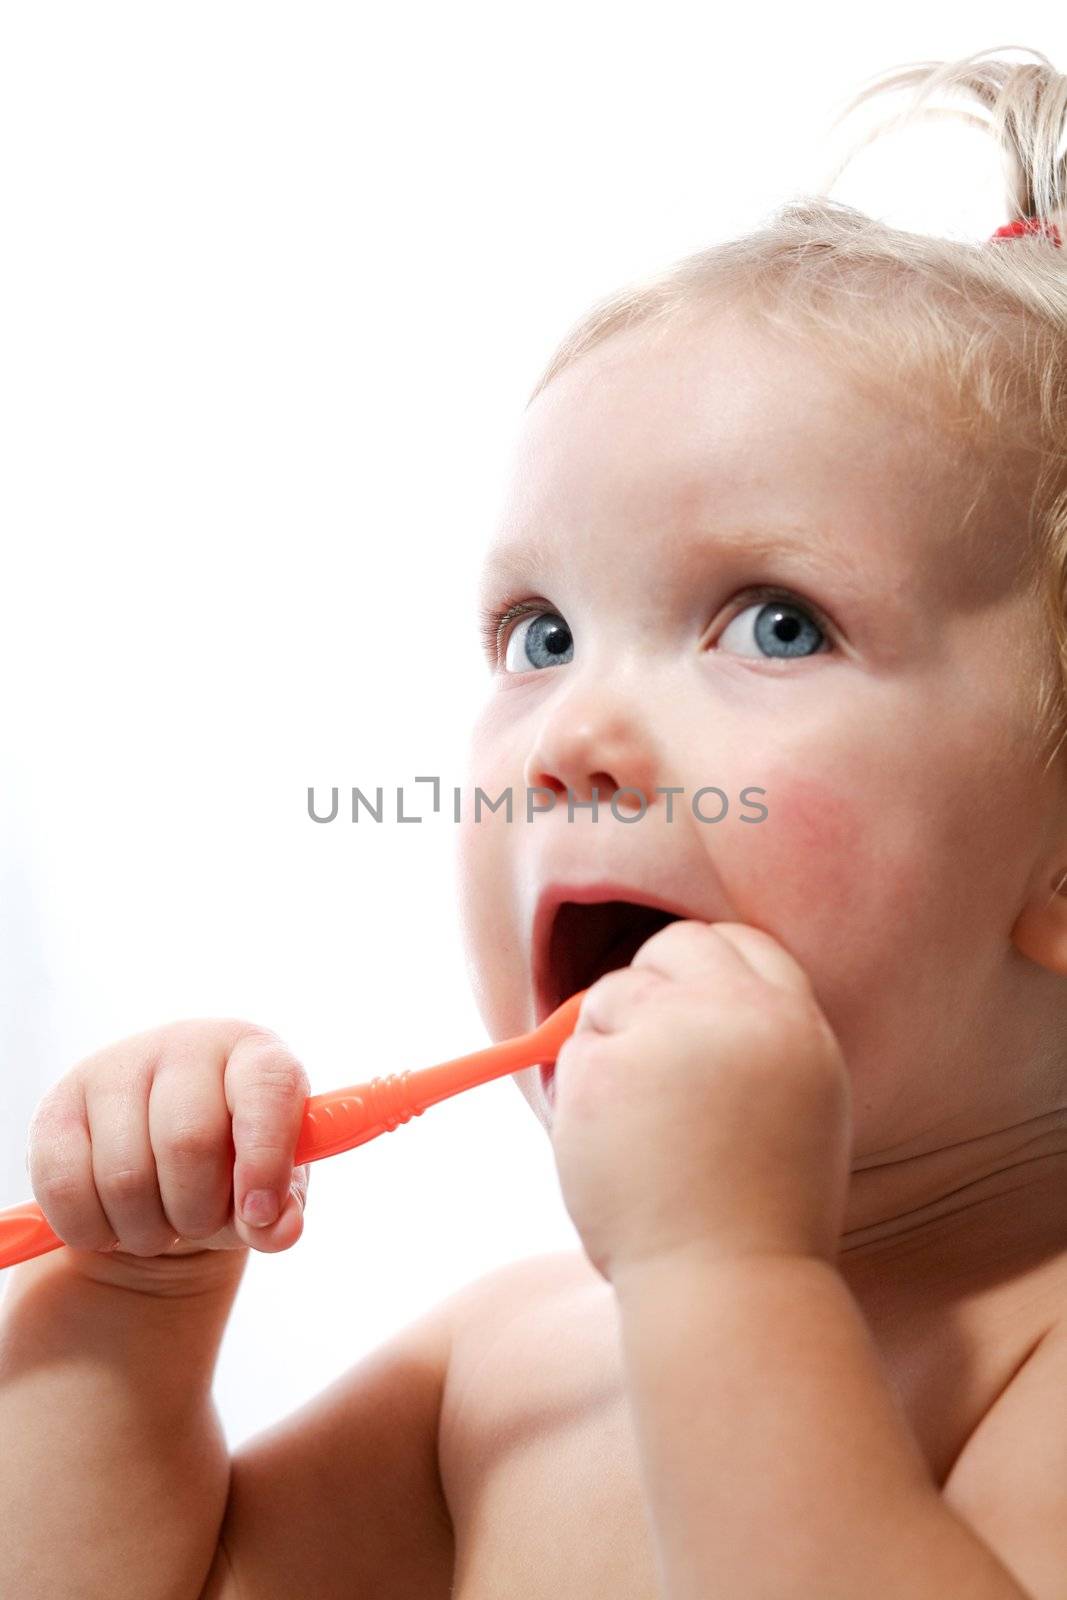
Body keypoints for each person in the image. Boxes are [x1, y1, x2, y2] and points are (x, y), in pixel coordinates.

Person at [4, 42, 1067, 1599]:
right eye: (539, 637)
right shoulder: (509, 1373)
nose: (573, 734)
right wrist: (132, 1305)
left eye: (773, 625)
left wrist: (723, 1270)